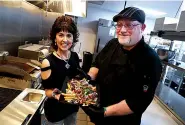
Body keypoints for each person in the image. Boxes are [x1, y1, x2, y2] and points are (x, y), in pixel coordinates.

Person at [81, 7, 162, 125]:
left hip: (123, 120)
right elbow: (97, 63)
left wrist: (105, 111)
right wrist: (88, 78)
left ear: (142, 28)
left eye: (129, 25)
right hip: (100, 110)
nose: (122, 30)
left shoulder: (150, 60)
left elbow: (139, 101)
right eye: (119, 25)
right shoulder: (113, 43)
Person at [41, 16, 81, 125]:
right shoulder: (48, 62)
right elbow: (47, 91)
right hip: (55, 111)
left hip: (72, 108)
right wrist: (56, 95)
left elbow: (75, 80)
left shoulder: (75, 56)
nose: (65, 40)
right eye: (60, 35)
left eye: (69, 35)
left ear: (73, 38)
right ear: (55, 37)